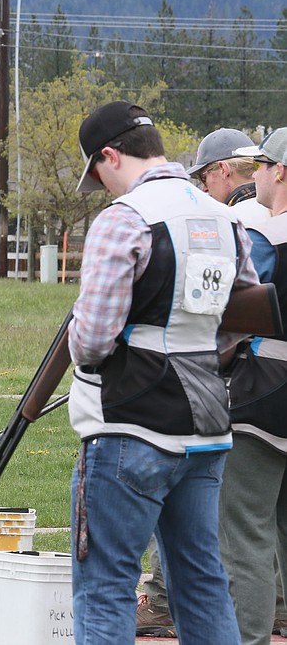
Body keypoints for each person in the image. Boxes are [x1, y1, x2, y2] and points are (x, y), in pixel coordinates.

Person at [67, 101, 259, 644]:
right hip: (207, 427)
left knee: (105, 587)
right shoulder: (226, 218)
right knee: (201, 584)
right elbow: (240, 318)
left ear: (109, 156)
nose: (103, 187)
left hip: (129, 424)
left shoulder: (124, 219)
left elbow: (92, 339)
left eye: (98, 173)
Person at [138, 126, 275, 637]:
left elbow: (228, 314)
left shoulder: (239, 221)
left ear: (221, 172)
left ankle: (159, 600)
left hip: (229, 382)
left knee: (220, 524)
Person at [219, 128, 287, 645]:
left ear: (280, 171)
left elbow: (232, 311)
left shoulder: (269, 238)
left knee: (244, 535)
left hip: (266, 394)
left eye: (262, 165)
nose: (255, 175)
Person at [188, 128, 269, 226]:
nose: (204, 188)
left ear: (223, 169)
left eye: (203, 178)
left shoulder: (228, 222)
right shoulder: (277, 210)